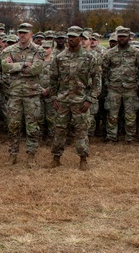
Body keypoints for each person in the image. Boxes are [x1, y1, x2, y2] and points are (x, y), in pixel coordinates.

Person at [46, 27, 101, 171]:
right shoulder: (59, 57)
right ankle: (56, 158)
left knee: (82, 131)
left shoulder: (90, 58)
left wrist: (90, 99)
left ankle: (83, 159)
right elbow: (53, 80)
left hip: (80, 101)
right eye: (69, 37)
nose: (70, 39)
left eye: (74, 37)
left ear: (80, 38)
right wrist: (53, 98)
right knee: (59, 130)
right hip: (63, 101)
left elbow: (96, 81)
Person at [0, 23, 45, 167]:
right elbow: (5, 67)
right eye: (20, 32)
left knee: (32, 127)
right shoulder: (9, 50)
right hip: (15, 94)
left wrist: (16, 66)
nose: (22, 35)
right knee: (13, 126)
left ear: (31, 33)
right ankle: (12, 155)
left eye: (25, 33)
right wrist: (25, 64)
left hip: (32, 94)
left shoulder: (38, 50)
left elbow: (36, 69)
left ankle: (31, 155)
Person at [102, 26, 139, 143]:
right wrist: (107, 84)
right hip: (114, 89)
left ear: (129, 38)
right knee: (112, 115)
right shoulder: (110, 53)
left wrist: (137, 85)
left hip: (130, 89)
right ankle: (111, 137)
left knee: (130, 115)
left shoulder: (136, 53)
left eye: (124, 37)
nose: (121, 39)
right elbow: (104, 71)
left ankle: (130, 137)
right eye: (119, 36)